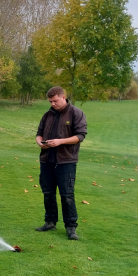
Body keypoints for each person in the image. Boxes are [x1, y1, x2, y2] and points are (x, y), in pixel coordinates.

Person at [35, 86, 87, 240]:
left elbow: (80, 136)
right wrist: (40, 143)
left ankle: (71, 227)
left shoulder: (76, 113)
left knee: (67, 195)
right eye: (50, 101)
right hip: (47, 160)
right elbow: (39, 134)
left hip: (66, 161)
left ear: (63, 97)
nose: (52, 104)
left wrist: (59, 142)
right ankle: (50, 221)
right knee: (48, 193)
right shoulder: (47, 115)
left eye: (55, 101)